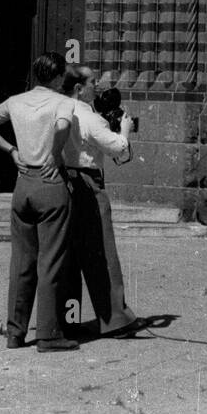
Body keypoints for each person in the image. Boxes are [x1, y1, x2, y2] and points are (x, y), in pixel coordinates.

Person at [0, 52, 78, 353]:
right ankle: (48, 335)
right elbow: (60, 128)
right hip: (50, 182)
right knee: (51, 260)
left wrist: (11, 151)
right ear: (58, 77)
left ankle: (15, 333)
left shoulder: (16, 101)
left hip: (23, 185)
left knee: (21, 261)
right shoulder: (63, 102)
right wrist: (55, 156)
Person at [60, 65, 140, 339]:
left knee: (70, 254)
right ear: (80, 88)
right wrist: (125, 130)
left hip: (64, 182)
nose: (99, 85)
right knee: (103, 253)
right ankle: (115, 318)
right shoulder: (90, 118)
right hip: (90, 184)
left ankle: (67, 320)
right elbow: (118, 148)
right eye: (93, 82)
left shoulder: (60, 109)